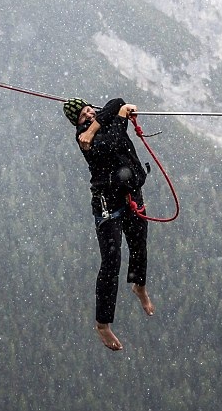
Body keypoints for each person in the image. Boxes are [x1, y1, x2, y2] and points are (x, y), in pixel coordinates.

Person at [63, 97, 155, 351]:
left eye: (90, 110)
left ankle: (139, 287)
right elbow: (112, 139)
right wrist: (117, 118)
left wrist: (109, 116)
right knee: (111, 262)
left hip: (130, 194)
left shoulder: (98, 124)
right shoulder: (86, 141)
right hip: (107, 205)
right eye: (83, 117)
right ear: (77, 125)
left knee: (139, 245)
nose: (90, 116)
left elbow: (117, 101)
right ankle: (102, 324)